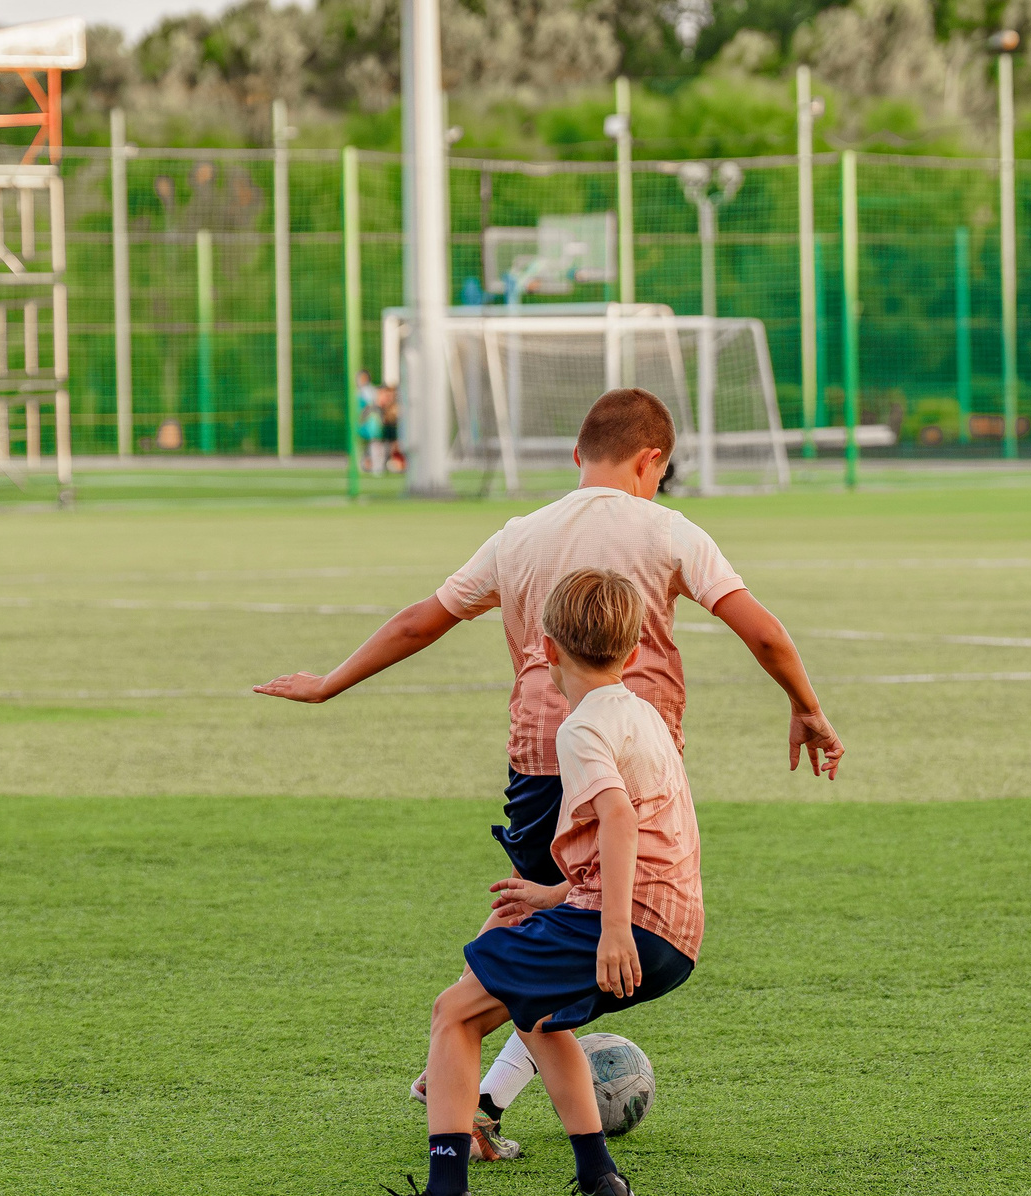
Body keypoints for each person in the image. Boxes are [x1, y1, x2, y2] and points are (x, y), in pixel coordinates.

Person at [254, 386, 843, 1156]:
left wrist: (331, 679)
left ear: (575, 456)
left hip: (539, 760)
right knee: (593, 930)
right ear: (651, 461)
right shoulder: (668, 530)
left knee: (542, 920)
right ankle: (471, 1072)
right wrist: (806, 706)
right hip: (636, 762)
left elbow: (419, 621)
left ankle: (476, 1091)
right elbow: (761, 633)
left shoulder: (519, 535)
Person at [353, 568, 702, 1196]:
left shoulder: (581, 729)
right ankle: (602, 1180)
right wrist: (559, 895)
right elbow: (653, 828)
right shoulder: (643, 715)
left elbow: (622, 821)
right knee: (538, 1017)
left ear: (544, 648)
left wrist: (610, 931)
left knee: (454, 1013)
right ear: (633, 654)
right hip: (677, 930)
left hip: (629, 926)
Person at [355, 371, 385, 475]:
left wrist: (363, 417)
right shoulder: (360, 391)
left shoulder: (368, 391)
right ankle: (364, 465)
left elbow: (371, 406)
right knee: (365, 443)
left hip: (370, 421)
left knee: (374, 443)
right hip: (363, 421)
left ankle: (377, 467)